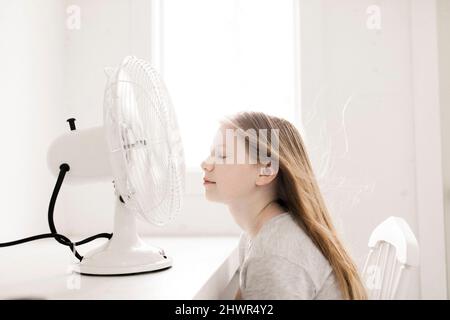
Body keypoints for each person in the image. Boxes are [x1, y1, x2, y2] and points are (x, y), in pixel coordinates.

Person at [200, 111, 367, 300]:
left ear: (266, 170)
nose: (205, 164)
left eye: (222, 155)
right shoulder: (254, 237)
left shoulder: (272, 255)